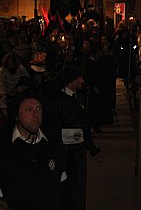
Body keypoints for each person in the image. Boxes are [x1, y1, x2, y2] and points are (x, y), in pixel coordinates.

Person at [0, 89, 67, 210]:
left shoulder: (53, 144)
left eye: (39, 109)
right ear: (16, 115)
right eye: (28, 109)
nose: (36, 114)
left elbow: (62, 185)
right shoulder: (4, 146)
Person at [51, 64, 104, 210]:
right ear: (71, 80)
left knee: (78, 190)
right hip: (66, 155)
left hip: (77, 154)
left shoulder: (76, 98)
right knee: (69, 191)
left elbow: (84, 127)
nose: (82, 81)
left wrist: (92, 149)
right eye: (79, 78)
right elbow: (56, 130)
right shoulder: (58, 102)